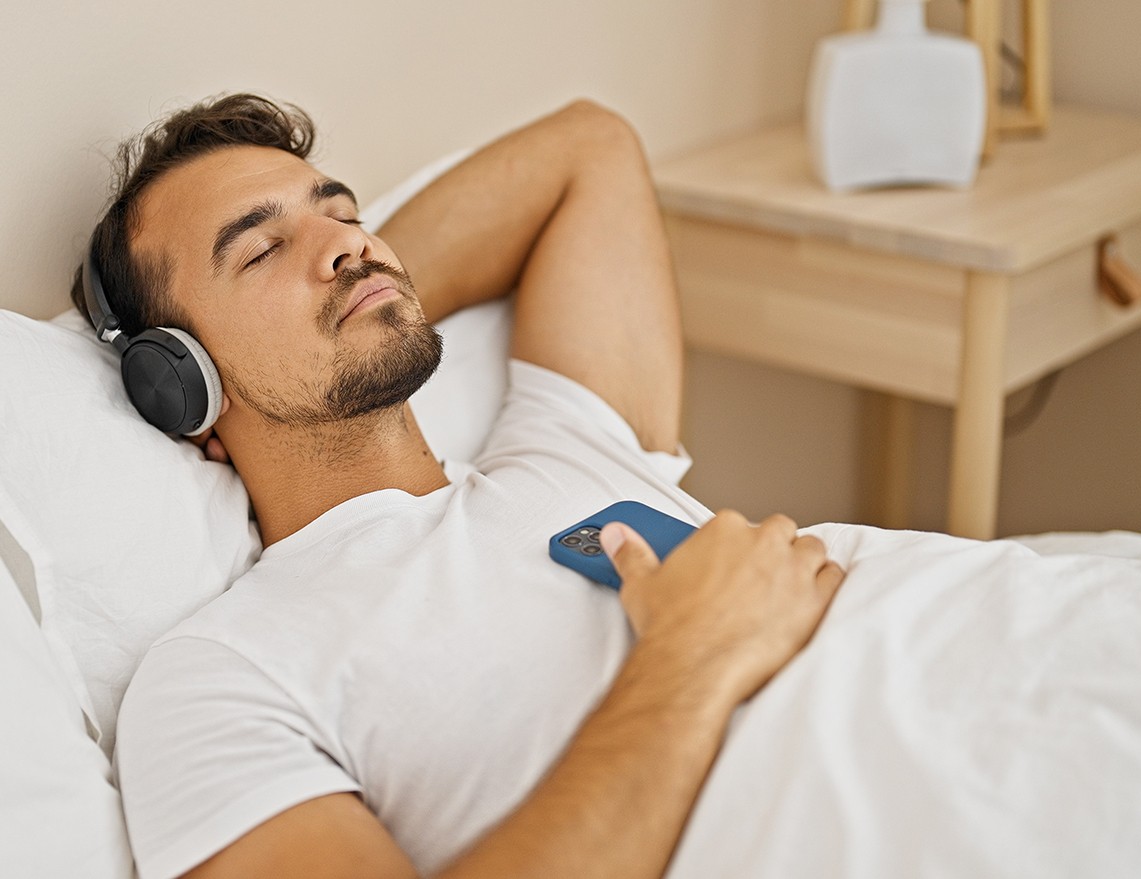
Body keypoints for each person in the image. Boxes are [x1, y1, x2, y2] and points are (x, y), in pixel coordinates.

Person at [78, 93, 846, 879]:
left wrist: (349, 294)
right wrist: (692, 657)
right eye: (261, 251)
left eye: (341, 211)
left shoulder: (567, 444)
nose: (349, 242)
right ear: (178, 383)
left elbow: (591, 147)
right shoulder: (222, 678)